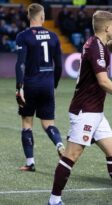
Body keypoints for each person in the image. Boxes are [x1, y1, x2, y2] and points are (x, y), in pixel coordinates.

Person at [47, 10, 112, 205]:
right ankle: (54, 200)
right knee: (71, 155)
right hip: (85, 111)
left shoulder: (96, 43)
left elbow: (101, 50)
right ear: (106, 28)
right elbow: (103, 81)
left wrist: (111, 43)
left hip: (94, 111)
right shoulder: (96, 47)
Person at [15, 3, 64, 172]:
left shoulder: (23, 36)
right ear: (42, 17)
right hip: (47, 85)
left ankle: (30, 162)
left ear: (29, 16)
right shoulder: (53, 36)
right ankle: (59, 144)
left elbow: (20, 64)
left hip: (30, 85)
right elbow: (59, 66)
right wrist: (54, 84)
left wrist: (19, 87)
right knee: (48, 123)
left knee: (27, 123)